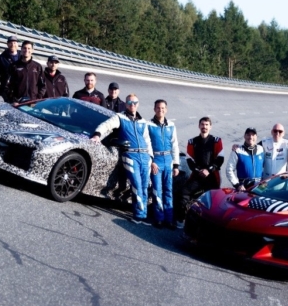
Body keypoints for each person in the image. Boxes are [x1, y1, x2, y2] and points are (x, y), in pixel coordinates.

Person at [90, 94, 153, 225]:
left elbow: (148, 141)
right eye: (130, 102)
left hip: (145, 156)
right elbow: (106, 125)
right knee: (136, 184)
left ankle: (143, 214)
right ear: (126, 103)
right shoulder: (120, 117)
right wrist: (97, 135)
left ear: (138, 104)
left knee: (144, 185)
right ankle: (138, 215)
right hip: (130, 155)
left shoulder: (143, 122)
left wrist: (151, 157)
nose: (133, 105)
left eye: (135, 102)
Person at [177, 117, 224, 229]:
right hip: (197, 176)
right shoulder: (192, 141)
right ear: (199, 126)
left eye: (207, 124)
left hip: (212, 176)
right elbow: (189, 160)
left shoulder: (217, 140)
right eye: (202, 124)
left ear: (210, 126)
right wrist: (199, 171)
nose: (204, 127)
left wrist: (209, 170)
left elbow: (220, 159)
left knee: (213, 200)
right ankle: (181, 219)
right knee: (184, 192)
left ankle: (212, 225)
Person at [147, 99, 180, 229]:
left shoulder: (171, 125)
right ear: (154, 109)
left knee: (168, 191)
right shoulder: (149, 125)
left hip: (168, 160)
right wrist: (151, 162)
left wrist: (176, 165)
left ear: (166, 109)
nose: (160, 110)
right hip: (156, 160)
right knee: (157, 190)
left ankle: (169, 219)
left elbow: (175, 145)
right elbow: (146, 145)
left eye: (163, 108)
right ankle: (159, 218)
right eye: (158, 108)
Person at [0, 35, 19, 101]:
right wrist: (0, 90)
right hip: (7, 90)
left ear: (17, 44)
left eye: (14, 43)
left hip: (20, 88)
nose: (13, 45)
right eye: (10, 43)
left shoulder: (22, 57)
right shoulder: (1, 58)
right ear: (7, 44)